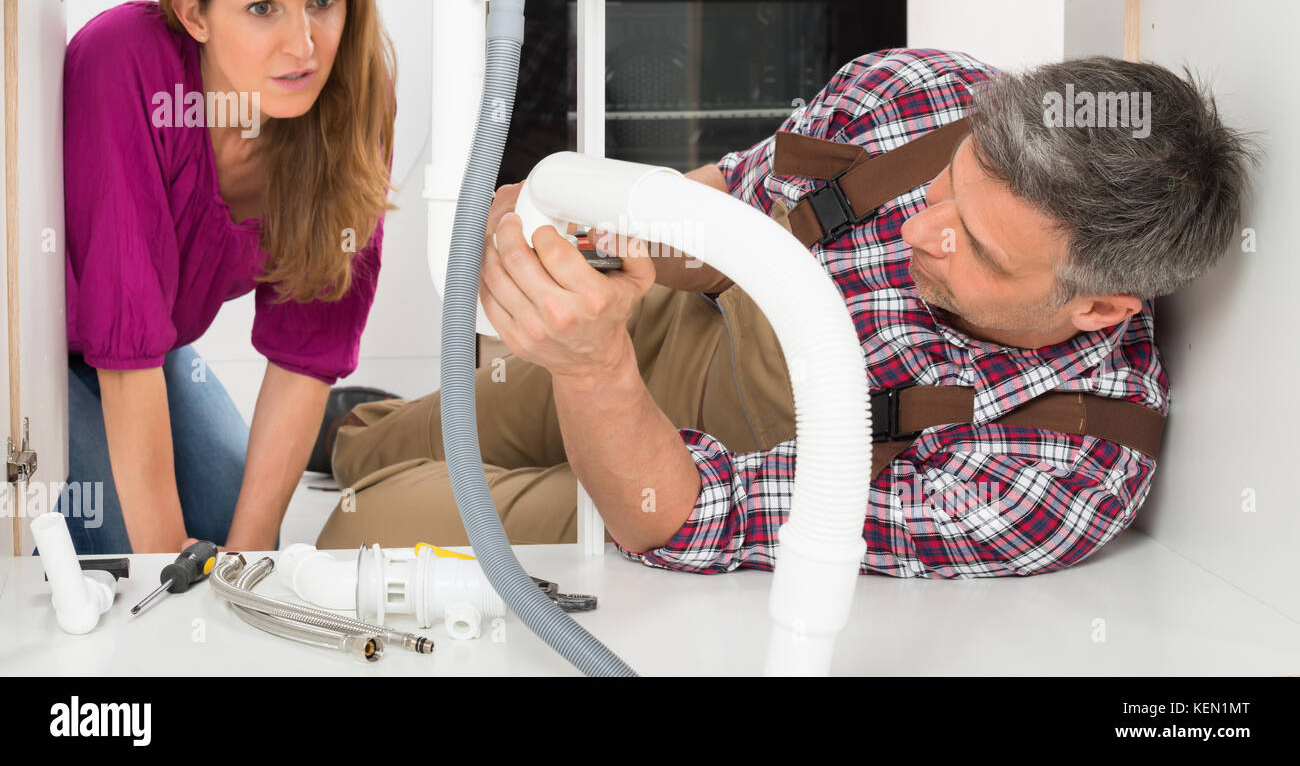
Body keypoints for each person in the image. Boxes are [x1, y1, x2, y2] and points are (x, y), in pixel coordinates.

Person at [315, 47, 1259, 579]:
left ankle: (373, 477)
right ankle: (360, 435)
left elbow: (700, 520)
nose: (919, 229)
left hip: (677, 481)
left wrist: (593, 368)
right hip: (673, 324)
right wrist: (577, 224)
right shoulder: (919, 96)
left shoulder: (1057, 472)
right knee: (395, 436)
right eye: (948, 184)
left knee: (358, 531)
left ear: (1099, 307)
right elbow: (734, 193)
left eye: (974, 246)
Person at [60, 0, 398, 556]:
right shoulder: (124, 60)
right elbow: (124, 337)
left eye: (323, 1)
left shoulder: (354, 98)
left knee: (225, 524)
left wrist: (249, 564)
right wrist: (169, 574)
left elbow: (308, 349)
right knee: (132, 548)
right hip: (30, 348)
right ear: (194, 15)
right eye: (263, 8)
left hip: (151, 351)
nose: (304, 46)